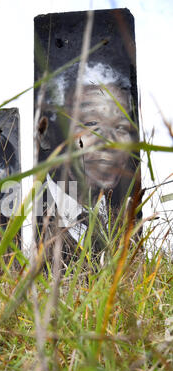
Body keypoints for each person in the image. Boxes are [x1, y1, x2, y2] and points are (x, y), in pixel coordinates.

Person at [38, 62, 139, 248]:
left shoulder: (135, 219)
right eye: (91, 123)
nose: (110, 142)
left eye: (121, 127)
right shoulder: (20, 221)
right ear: (46, 133)